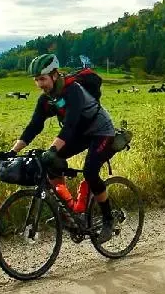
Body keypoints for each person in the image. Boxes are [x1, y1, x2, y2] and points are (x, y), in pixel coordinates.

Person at [10, 53, 117, 241]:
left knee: (90, 172)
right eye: (36, 80)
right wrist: (12, 151)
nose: (39, 84)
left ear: (54, 75)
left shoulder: (73, 91)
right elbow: (34, 126)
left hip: (101, 131)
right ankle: (71, 213)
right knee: (51, 164)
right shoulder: (46, 100)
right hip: (80, 134)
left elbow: (70, 126)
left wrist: (52, 149)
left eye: (42, 79)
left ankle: (108, 220)